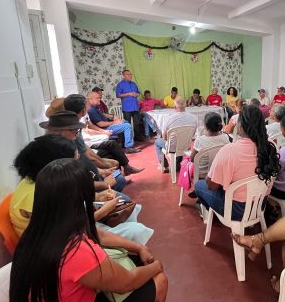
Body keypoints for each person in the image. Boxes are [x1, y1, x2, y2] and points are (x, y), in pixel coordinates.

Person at [10, 159, 168, 302]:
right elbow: (126, 283)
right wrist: (157, 266)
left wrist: (138, 247)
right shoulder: (76, 250)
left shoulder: (36, 233)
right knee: (159, 280)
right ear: (82, 198)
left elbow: (98, 233)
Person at [10, 135, 153, 245]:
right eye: (74, 161)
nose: (77, 165)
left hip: (67, 235)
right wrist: (104, 208)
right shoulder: (37, 195)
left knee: (131, 211)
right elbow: (70, 229)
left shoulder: (43, 181)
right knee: (136, 230)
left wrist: (98, 198)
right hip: (60, 247)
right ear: (57, 164)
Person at [194, 105, 281, 220]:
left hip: (236, 210)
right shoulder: (271, 145)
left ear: (241, 125)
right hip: (260, 204)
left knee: (198, 185)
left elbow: (211, 185)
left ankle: (213, 213)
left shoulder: (229, 150)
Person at [63, 94, 143, 175]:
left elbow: (91, 125)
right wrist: (104, 162)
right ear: (83, 109)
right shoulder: (75, 125)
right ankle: (118, 175)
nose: (99, 99)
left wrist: (111, 119)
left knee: (112, 143)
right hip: (89, 140)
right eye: (97, 98)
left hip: (90, 139)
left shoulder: (91, 111)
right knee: (107, 149)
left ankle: (124, 169)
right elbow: (85, 142)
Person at [154, 97, 197, 173]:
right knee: (180, 141)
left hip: (172, 147)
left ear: (174, 107)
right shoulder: (194, 118)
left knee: (157, 142)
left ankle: (164, 166)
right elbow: (193, 134)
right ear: (186, 106)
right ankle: (177, 164)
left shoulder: (169, 119)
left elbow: (165, 137)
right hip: (186, 146)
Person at [190, 112, 230, 178]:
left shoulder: (200, 140)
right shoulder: (226, 137)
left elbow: (191, 159)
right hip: (220, 172)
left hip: (202, 175)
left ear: (205, 126)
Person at [115, 70, 142, 139]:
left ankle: (138, 137)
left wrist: (137, 94)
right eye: (128, 74)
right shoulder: (120, 84)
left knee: (137, 123)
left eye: (131, 74)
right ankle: (128, 139)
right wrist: (129, 94)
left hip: (135, 107)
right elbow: (118, 95)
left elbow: (138, 92)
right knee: (127, 124)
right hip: (127, 108)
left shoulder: (134, 84)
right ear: (124, 76)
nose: (130, 75)